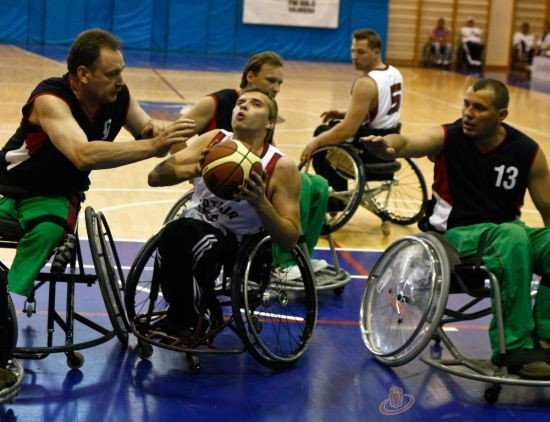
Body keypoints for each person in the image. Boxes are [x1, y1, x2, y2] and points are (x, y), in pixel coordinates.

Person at [361, 78, 550, 379]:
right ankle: (514, 350)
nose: (468, 113)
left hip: (508, 236)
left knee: (532, 239)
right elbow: (409, 142)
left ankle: (546, 338)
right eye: (466, 105)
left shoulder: (527, 151)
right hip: (454, 239)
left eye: (479, 108)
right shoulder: (449, 137)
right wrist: (389, 148)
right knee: (512, 235)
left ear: (501, 115)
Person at [0, 30, 195, 309]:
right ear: (83, 74)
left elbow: (150, 135)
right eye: (111, 74)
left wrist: (174, 142)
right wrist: (155, 144)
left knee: (48, 231)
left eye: (121, 72)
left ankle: (9, 298)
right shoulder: (50, 98)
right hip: (6, 187)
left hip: (53, 196)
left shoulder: (119, 99)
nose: (120, 81)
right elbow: (82, 154)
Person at [148, 87, 301, 338]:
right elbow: (155, 176)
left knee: (192, 237)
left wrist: (260, 201)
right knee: (175, 233)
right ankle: (184, 313)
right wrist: (196, 168)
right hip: (193, 226)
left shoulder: (280, 165)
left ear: (270, 122)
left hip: (239, 242)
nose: (243, 106)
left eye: (255, 104)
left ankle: (200, 314)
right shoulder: (214, 140)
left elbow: (289, 238)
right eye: (240, 102)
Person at [175, 51, 328, 274]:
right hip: (220, 178)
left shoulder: (266, 111)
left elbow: (266, 151)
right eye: (271, 80)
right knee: (302, 186)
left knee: (318, 184)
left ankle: (302, 255)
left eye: (279, 83)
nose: (276, 87)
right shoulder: (216, 102)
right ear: (250, 77)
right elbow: (177, 134)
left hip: (248, 174)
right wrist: (194, 175)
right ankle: (284, 261)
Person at [300, 28, 403, 210]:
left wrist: (315, 143)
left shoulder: (366, 83)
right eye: (353, 51)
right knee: (332, 127)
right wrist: (344, 113)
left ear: (376, 52)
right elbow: (379, 108)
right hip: (389, 143)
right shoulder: (394, 72)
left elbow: (348, 130)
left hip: (368, 150)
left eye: (361, 52)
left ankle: (337, 199)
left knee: (323, 134)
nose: (355, 56)